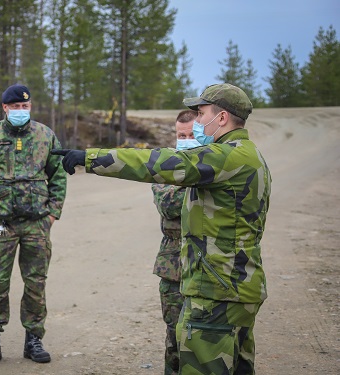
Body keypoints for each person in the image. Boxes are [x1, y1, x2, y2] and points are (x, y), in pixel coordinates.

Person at [52, 83, 271, 375]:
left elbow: (159, 163)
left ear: (222, 118)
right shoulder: (249, 154)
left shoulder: (225, 156)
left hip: (217, 290)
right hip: (237, 285)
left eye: (202, 113)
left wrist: (91, 158)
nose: (197, 120)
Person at [0, 84, 67, 367]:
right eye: (16, 107)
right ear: (5, 108)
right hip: (0, 224)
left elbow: (58, 176)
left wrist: (52, 214)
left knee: (36, 283)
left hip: (37, 224)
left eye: (26, 106)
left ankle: (33, 339)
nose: (21, 111)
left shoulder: (45, 135)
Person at [151, 109, 198, 375]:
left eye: (192, 134)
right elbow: (169, 204)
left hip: (208, 264)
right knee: (175, 335)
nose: (186, 139)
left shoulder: (215, 164)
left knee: (204, 336)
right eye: (182, 135)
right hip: (173, 265)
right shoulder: (165, 163)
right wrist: (201, 190)